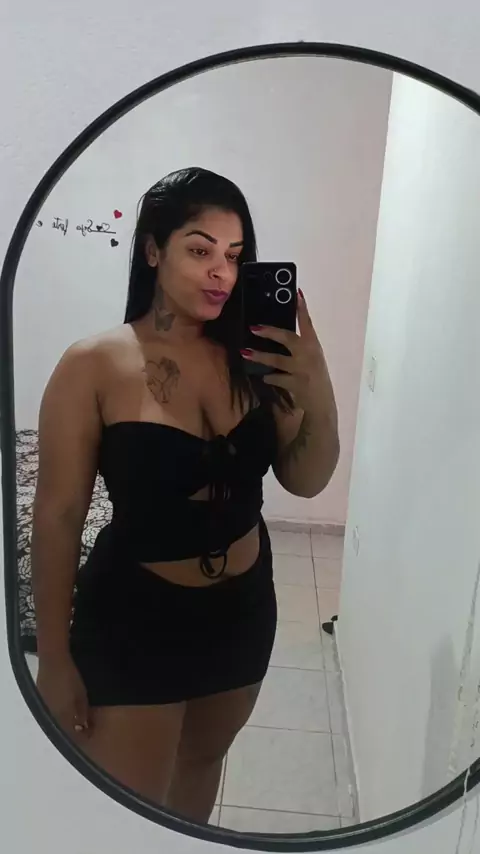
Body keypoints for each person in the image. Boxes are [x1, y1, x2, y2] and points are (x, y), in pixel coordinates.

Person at [31, 167, 339, 824]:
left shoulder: (255, 360)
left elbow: (306, 478)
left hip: (242, 613)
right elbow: (57, 517)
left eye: (235, 255)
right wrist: (53, 659)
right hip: (135, 617)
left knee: (198, 780)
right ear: (152, 249)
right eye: (201, 250)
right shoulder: (93, 364)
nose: (221, 273)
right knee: (128, 812)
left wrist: (317, 383)